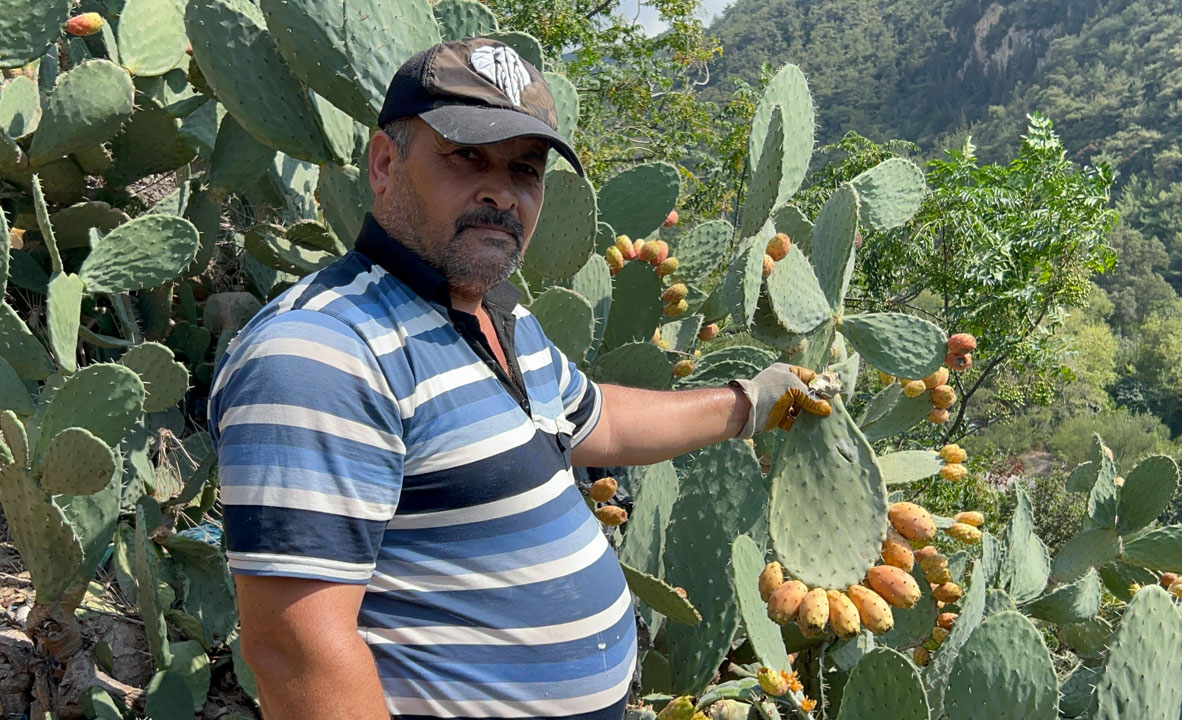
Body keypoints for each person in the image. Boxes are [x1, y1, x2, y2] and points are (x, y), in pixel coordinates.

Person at [206, 37, 831, 720]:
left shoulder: (495, 314)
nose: (501, 191)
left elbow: (604, 422)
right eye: (467, 156)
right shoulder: (324, 351)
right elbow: (297, 651)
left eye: (525, 170)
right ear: (385, 164)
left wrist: (750, 401)